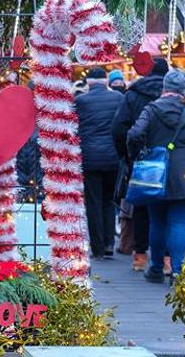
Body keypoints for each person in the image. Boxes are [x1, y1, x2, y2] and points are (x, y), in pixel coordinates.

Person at [127, 69, 185, 284]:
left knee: (157, 222)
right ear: (183, 89)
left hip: (154, 171)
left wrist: (138, 153)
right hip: (183, 172)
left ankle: (155, 268)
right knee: (179, 223)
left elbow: (135, 133)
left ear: (164, 87)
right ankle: (178, 271)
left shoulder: (152, 108)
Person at [111, 57, 169, 271]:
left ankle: (140, 255)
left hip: (142, 158)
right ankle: (166, 259)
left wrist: (127, 156)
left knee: (143, 208)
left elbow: (119, 128)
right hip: (172, 160)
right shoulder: (178, 97)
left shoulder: (133, 94)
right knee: (168, 210)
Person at [75, 68, 124, 259]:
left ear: (88, 82)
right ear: (106, 81)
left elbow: (74, 127)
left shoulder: (81, 101)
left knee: (93, 202)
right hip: (112, 157)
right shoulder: (118, 99)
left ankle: (97, 246)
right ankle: (110, 243)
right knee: (109, 201)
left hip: (89, 158)